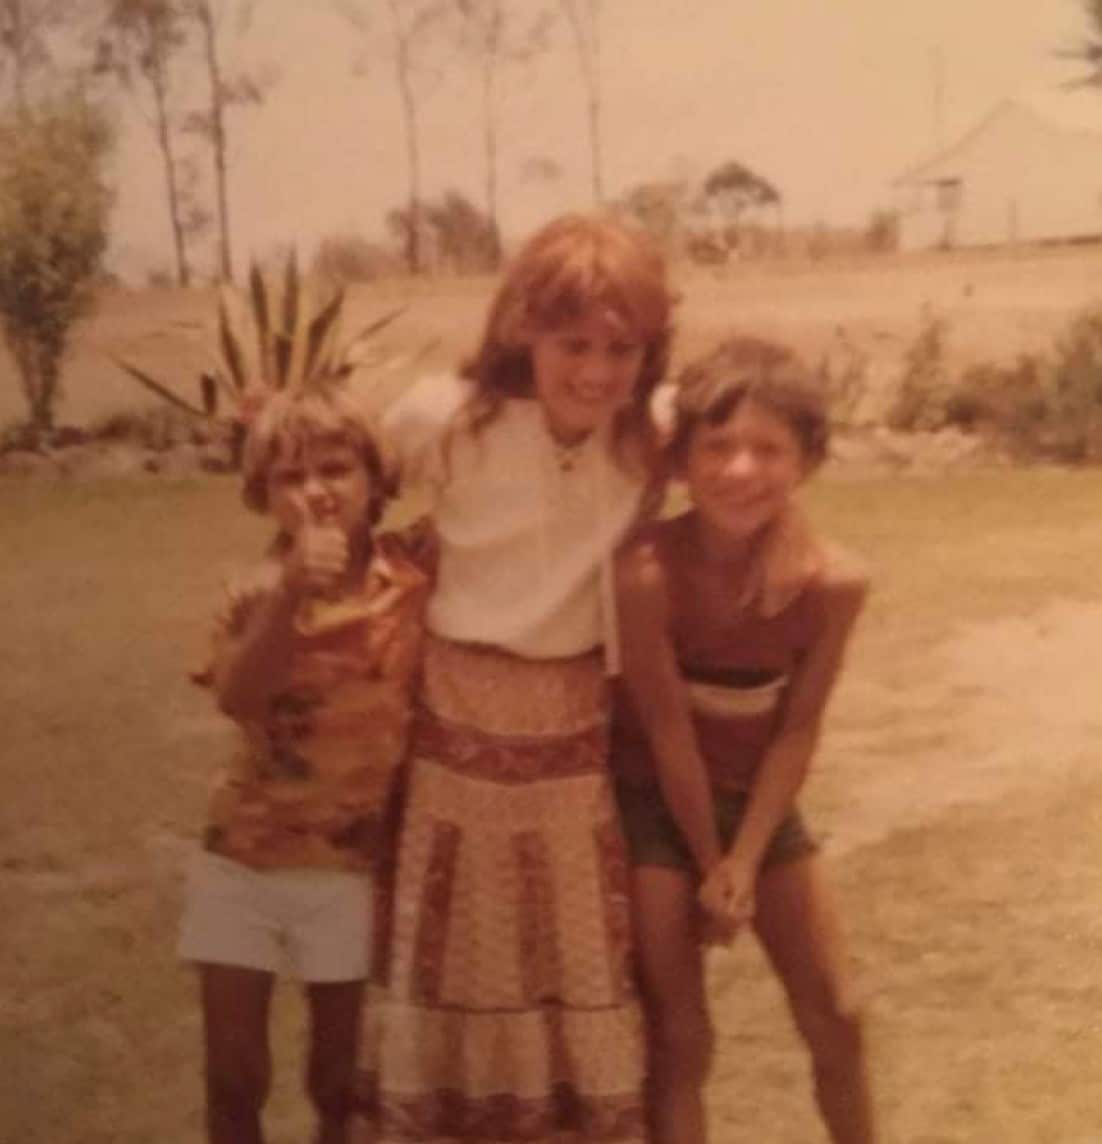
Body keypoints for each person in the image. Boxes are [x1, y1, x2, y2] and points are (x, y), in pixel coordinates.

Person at [363, 213, 674, 1144]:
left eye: (622, 347)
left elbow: (756, 465)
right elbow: (344, 492)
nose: (596, 370)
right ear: (521, 332)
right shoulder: (445, 418)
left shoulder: (653, 432)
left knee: (570, 942)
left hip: (574, 721)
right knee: (457, 943)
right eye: (572, 343)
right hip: (455, 712)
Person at [611, 335, 875, 1144]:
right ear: (683, 459)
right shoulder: (646, 570)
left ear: (807, 463)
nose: (740, 470)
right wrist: (708, 863)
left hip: (760, 809)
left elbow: (797, 731)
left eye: (769, 449)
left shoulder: (833, 582)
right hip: (660, 809)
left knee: (838, 1012)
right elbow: (664, 730)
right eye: (717, 447)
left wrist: (748, 859)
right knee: (682, 1038)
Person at [178, 388, 431, 1144]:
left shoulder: (411, 579)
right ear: (265, 494)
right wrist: (291, 593)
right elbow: (239, 698)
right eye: (291, 477)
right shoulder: (253, 593)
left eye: (335, 468)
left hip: (349, 870)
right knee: (233, 1078)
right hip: (243, 862)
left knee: (339, 1082)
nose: (317, 490)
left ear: (373, 480)